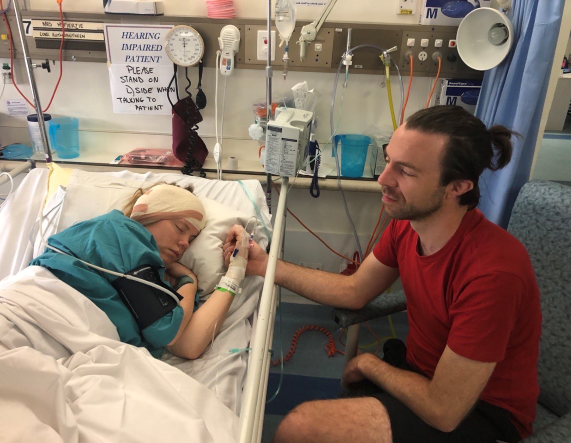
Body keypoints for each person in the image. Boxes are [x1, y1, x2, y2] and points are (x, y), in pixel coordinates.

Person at [224, 106, 541, 443]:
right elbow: (354, 290)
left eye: (405, 171)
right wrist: (262, 264)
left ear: (457, 187)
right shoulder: (407, 227)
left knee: (300, 429)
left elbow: (444, 411)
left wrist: (368, 365)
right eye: (389, 160)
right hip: (422, 377)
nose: (383, 179)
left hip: (480, 413)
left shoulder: (493, 272)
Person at [31, 183, 250, 360]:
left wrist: (235, 271)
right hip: (38, 311)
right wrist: (189, 281)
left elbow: (187, 345)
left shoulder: (137, 265)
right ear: (149, 214)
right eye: (181, 228)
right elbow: (168, 333)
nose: (184, 243)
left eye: (192, 239)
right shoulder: (123, 234)